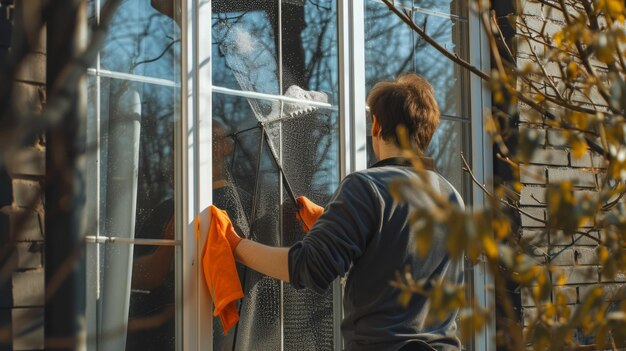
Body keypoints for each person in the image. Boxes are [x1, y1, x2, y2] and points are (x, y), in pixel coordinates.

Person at [223, 73, 465, 351]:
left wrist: (235, 245)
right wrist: (332, 225)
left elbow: (309, 267)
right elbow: (395, 254)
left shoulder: (367, 187)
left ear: (376, 124)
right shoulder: (451, 197)